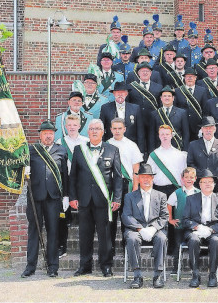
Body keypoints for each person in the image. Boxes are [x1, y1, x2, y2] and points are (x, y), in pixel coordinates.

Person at [69, 119, 123, 277]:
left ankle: (106, 266)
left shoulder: (113, 150)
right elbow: (73, 176)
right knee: (84, 235)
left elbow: (118, 177)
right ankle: (85, 266)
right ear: (88, 131)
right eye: (91, 128)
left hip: (103, 201)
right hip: (84, 200)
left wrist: (117, 198)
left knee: (105, 235)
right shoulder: (79, 150)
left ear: (103, 131)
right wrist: (72, 196)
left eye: (97, 129)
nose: (94, 131)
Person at [22, 121, 69, 278]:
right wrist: (25, 170)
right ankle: (30, 266)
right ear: (40, 135)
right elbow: (20, 171)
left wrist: (66, 196)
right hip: (35, 198)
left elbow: (65, 176)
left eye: (51, 133)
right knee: (34, 231)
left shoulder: (61, 151)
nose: (48, 136)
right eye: (45, 133)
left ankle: (53, 266)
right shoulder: (31, 150)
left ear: (54, 135)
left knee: (53, 232)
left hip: (54, 198)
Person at [122, 163, 169, 289]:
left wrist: (153, 228)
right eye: (143, 177)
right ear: (138, 179)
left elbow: (164, 216)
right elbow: (126, 216)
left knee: (162, 238)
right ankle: (137, 276)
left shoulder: (161, 196)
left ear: (153, 178)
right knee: (132, 239)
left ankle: (157, 275)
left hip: (155, 228)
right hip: (135, 228)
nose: (146, 180)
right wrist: (140, 229)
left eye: (149, 177)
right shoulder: (129, 196)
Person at [182, 169, 218, 288]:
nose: (208, 184)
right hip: (195, 230)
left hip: (213, 230)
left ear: (214, 184)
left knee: (215, 241)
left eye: (210, 181)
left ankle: (212, 274)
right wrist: (197, 227)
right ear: (199, 184)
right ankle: (195, 274)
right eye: (204, 181)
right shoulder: (190, 199)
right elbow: (185, 220)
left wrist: (210, 230)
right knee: (193, 240)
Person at [107, 117, 143, 256]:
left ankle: (126, 248)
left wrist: (135, 188)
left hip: (126, 184)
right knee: (110, 218)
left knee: (126, 218)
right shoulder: (106, 144)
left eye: (119, 128)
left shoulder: (131, 145)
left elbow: (136, 169)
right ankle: (110, 249)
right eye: (114, 128)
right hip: (110, 186)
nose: (117, 131)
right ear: (110, 130)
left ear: (124, 129)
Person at [55, 114, 89, 258]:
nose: (72, 128)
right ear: (65, 126)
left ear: (79, 126)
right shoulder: (59, 141)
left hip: (82, 181)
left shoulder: (86, 141)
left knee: (85, 212)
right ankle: (62, 246)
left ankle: (86, 247)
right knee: (62, 214)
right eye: (69, 125)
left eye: (74, 125)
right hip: (65, 180)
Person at [167, 167, 200, 268]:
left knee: (194, 244)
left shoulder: (198, 192)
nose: (189, 179)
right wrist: (170, 219)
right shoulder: (177, 193)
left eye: (191, 177)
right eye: (186, 177)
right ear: (182, 178)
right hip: (179, 225)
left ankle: (193, 266)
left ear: (195, 178)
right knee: (177, 245)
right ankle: (176, 267)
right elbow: (168, 204)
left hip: (193, 225)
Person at [100, 82, 145, 152]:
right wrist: (102, 148)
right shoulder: (105, 108)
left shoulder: (135, 108)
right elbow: (101, 129)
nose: (120, 95)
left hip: (131, 147)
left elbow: (140, 131)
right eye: (118, 92)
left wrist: (141, 151)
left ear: (126, 94)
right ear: (114, 94)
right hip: (111, 147)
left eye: (122, 92)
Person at [127, 62, 163, 151]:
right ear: (138, 73)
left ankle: (151, 158)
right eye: (142, 71)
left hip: (152, 118)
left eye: (147, 71)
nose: (145, 73)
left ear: (151, 73)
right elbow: (128, 104)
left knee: (152, 140)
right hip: (136, 119)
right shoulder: (131, 87)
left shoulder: (158, 87)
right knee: (139, 140)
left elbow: (160, 104)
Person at [186, 116, 218, 182]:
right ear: (201, 129)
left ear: (215, 129)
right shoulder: (193, 145)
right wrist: (202, 175)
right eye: (205, 128)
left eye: (210, 128)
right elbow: (190, 163)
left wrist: (213, 175)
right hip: (199, 182)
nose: (208, 130)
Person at [149, 86, 190, 152]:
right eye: (164, 96)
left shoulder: (182, 113)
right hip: (160, 149)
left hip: (177, 148)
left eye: (169, 96)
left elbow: (186, 134)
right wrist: (152, 151)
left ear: (173, 98)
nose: (167, 98)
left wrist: (185, 150)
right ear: (161, 98)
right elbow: (152, 135)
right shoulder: (155, 114)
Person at [174, 68, 208, 141]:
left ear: (195, 78)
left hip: (197, 125)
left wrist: (203, 126)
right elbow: (175, 109)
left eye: (191, 76)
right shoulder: (178, 91)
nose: (189, 78)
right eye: (187, 76)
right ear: (184, 78)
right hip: (182, 125)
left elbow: (205, 110)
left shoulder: (202, 91)